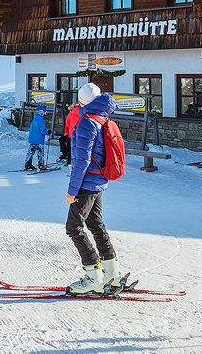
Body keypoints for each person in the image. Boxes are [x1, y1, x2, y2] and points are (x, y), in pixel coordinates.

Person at [64, 83, 125, 295]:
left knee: (73, 227)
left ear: (82, 101)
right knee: (96, 224)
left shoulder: (87, 122)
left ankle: (94, 276)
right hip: (98, 181)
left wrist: (72, 191)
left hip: (87, 183)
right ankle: (112, 273)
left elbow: (81, 160)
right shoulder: (103, 117)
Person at [24, 105, 49, 171]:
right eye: (45, 111)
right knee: (40, 153)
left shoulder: (35, 118)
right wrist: (48, 132)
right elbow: (42, 131)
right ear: (42, 112)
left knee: (31, 152)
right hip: (39, 139)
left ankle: (28, 164)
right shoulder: (41, 120)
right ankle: (41, 166)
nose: (45, 113)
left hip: (32, 138)